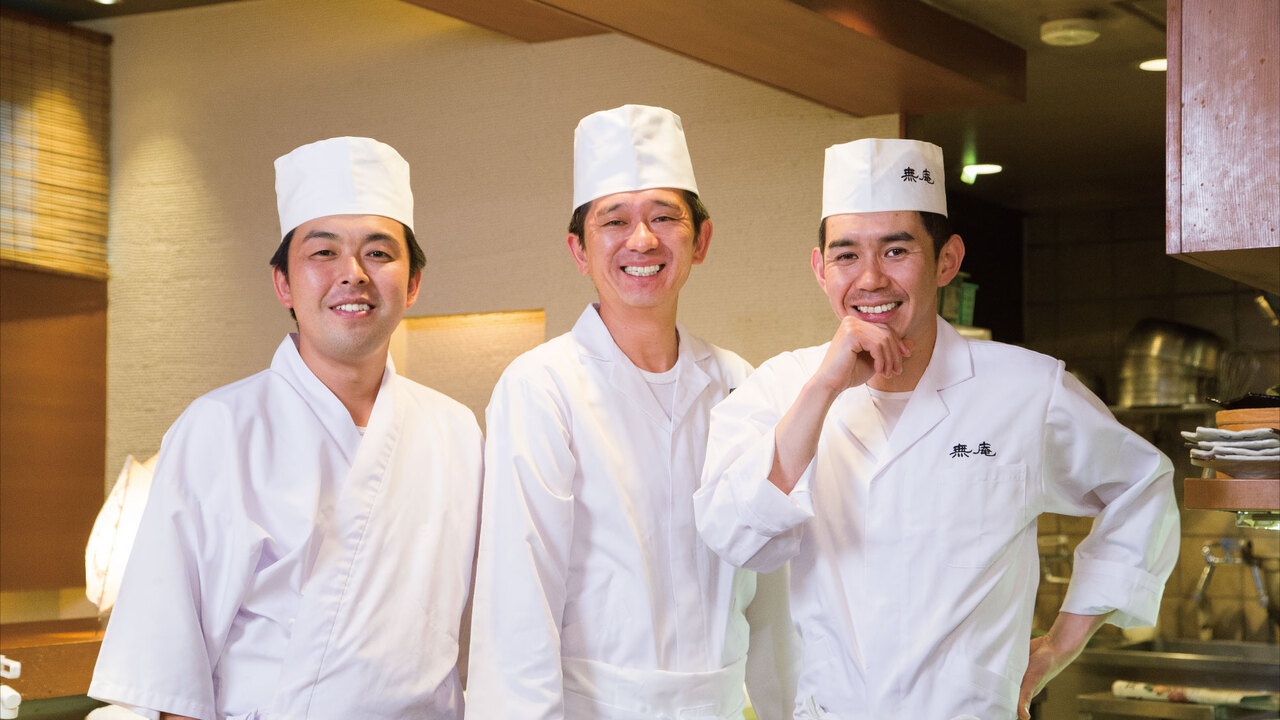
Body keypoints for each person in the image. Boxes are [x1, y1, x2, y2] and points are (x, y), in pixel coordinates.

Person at [694, 138, 1179, 720]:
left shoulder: (1025, 389)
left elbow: (1144, 484)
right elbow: (734, 536)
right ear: (820, 269)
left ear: (947, 260)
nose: (870, 279)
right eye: (846, 256)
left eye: (896, 250)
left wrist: (1057, 648)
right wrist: (823, 389)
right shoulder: (781, 389)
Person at [88, 137, 483, 720]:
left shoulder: (456, 431)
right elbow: (169, 667)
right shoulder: (218, 428)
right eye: (323, 253)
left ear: (414, 283)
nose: (353, 274)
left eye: (379, 253)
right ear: (284, 285)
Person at [466, 105, 796, 720]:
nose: (641, 240)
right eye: (613, 221)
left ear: (701, 239)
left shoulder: (738, 383)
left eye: (664, 217)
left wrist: (788, 708)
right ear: (578, 249)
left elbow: (772, 587)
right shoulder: (541, 386)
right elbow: (518, 598)